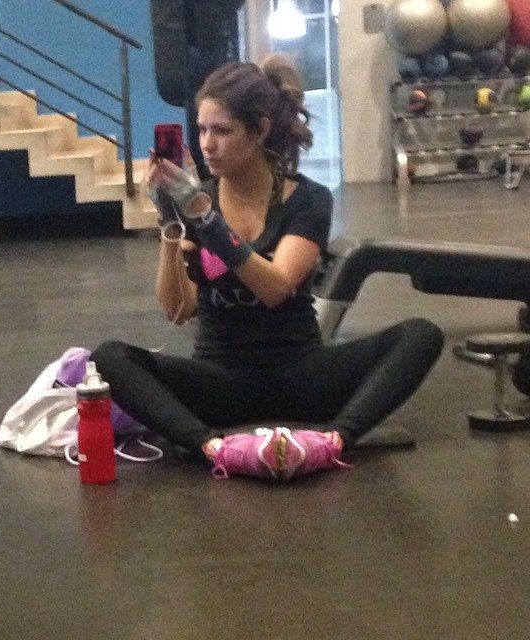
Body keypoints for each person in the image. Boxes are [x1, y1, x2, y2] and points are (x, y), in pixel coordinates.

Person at [91, 55, 444, 481]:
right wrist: (170, 222)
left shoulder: (308, 200)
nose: (207, 145)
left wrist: (206, 219)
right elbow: (179, 309)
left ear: (259, 130)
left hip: (300, 375)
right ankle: (215, 448)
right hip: (221, 381)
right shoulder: (197, 199)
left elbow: (276, 287)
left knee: (420, 335)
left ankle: (331, 442)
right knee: (109, 357)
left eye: (222, 130)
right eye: (201, 130)